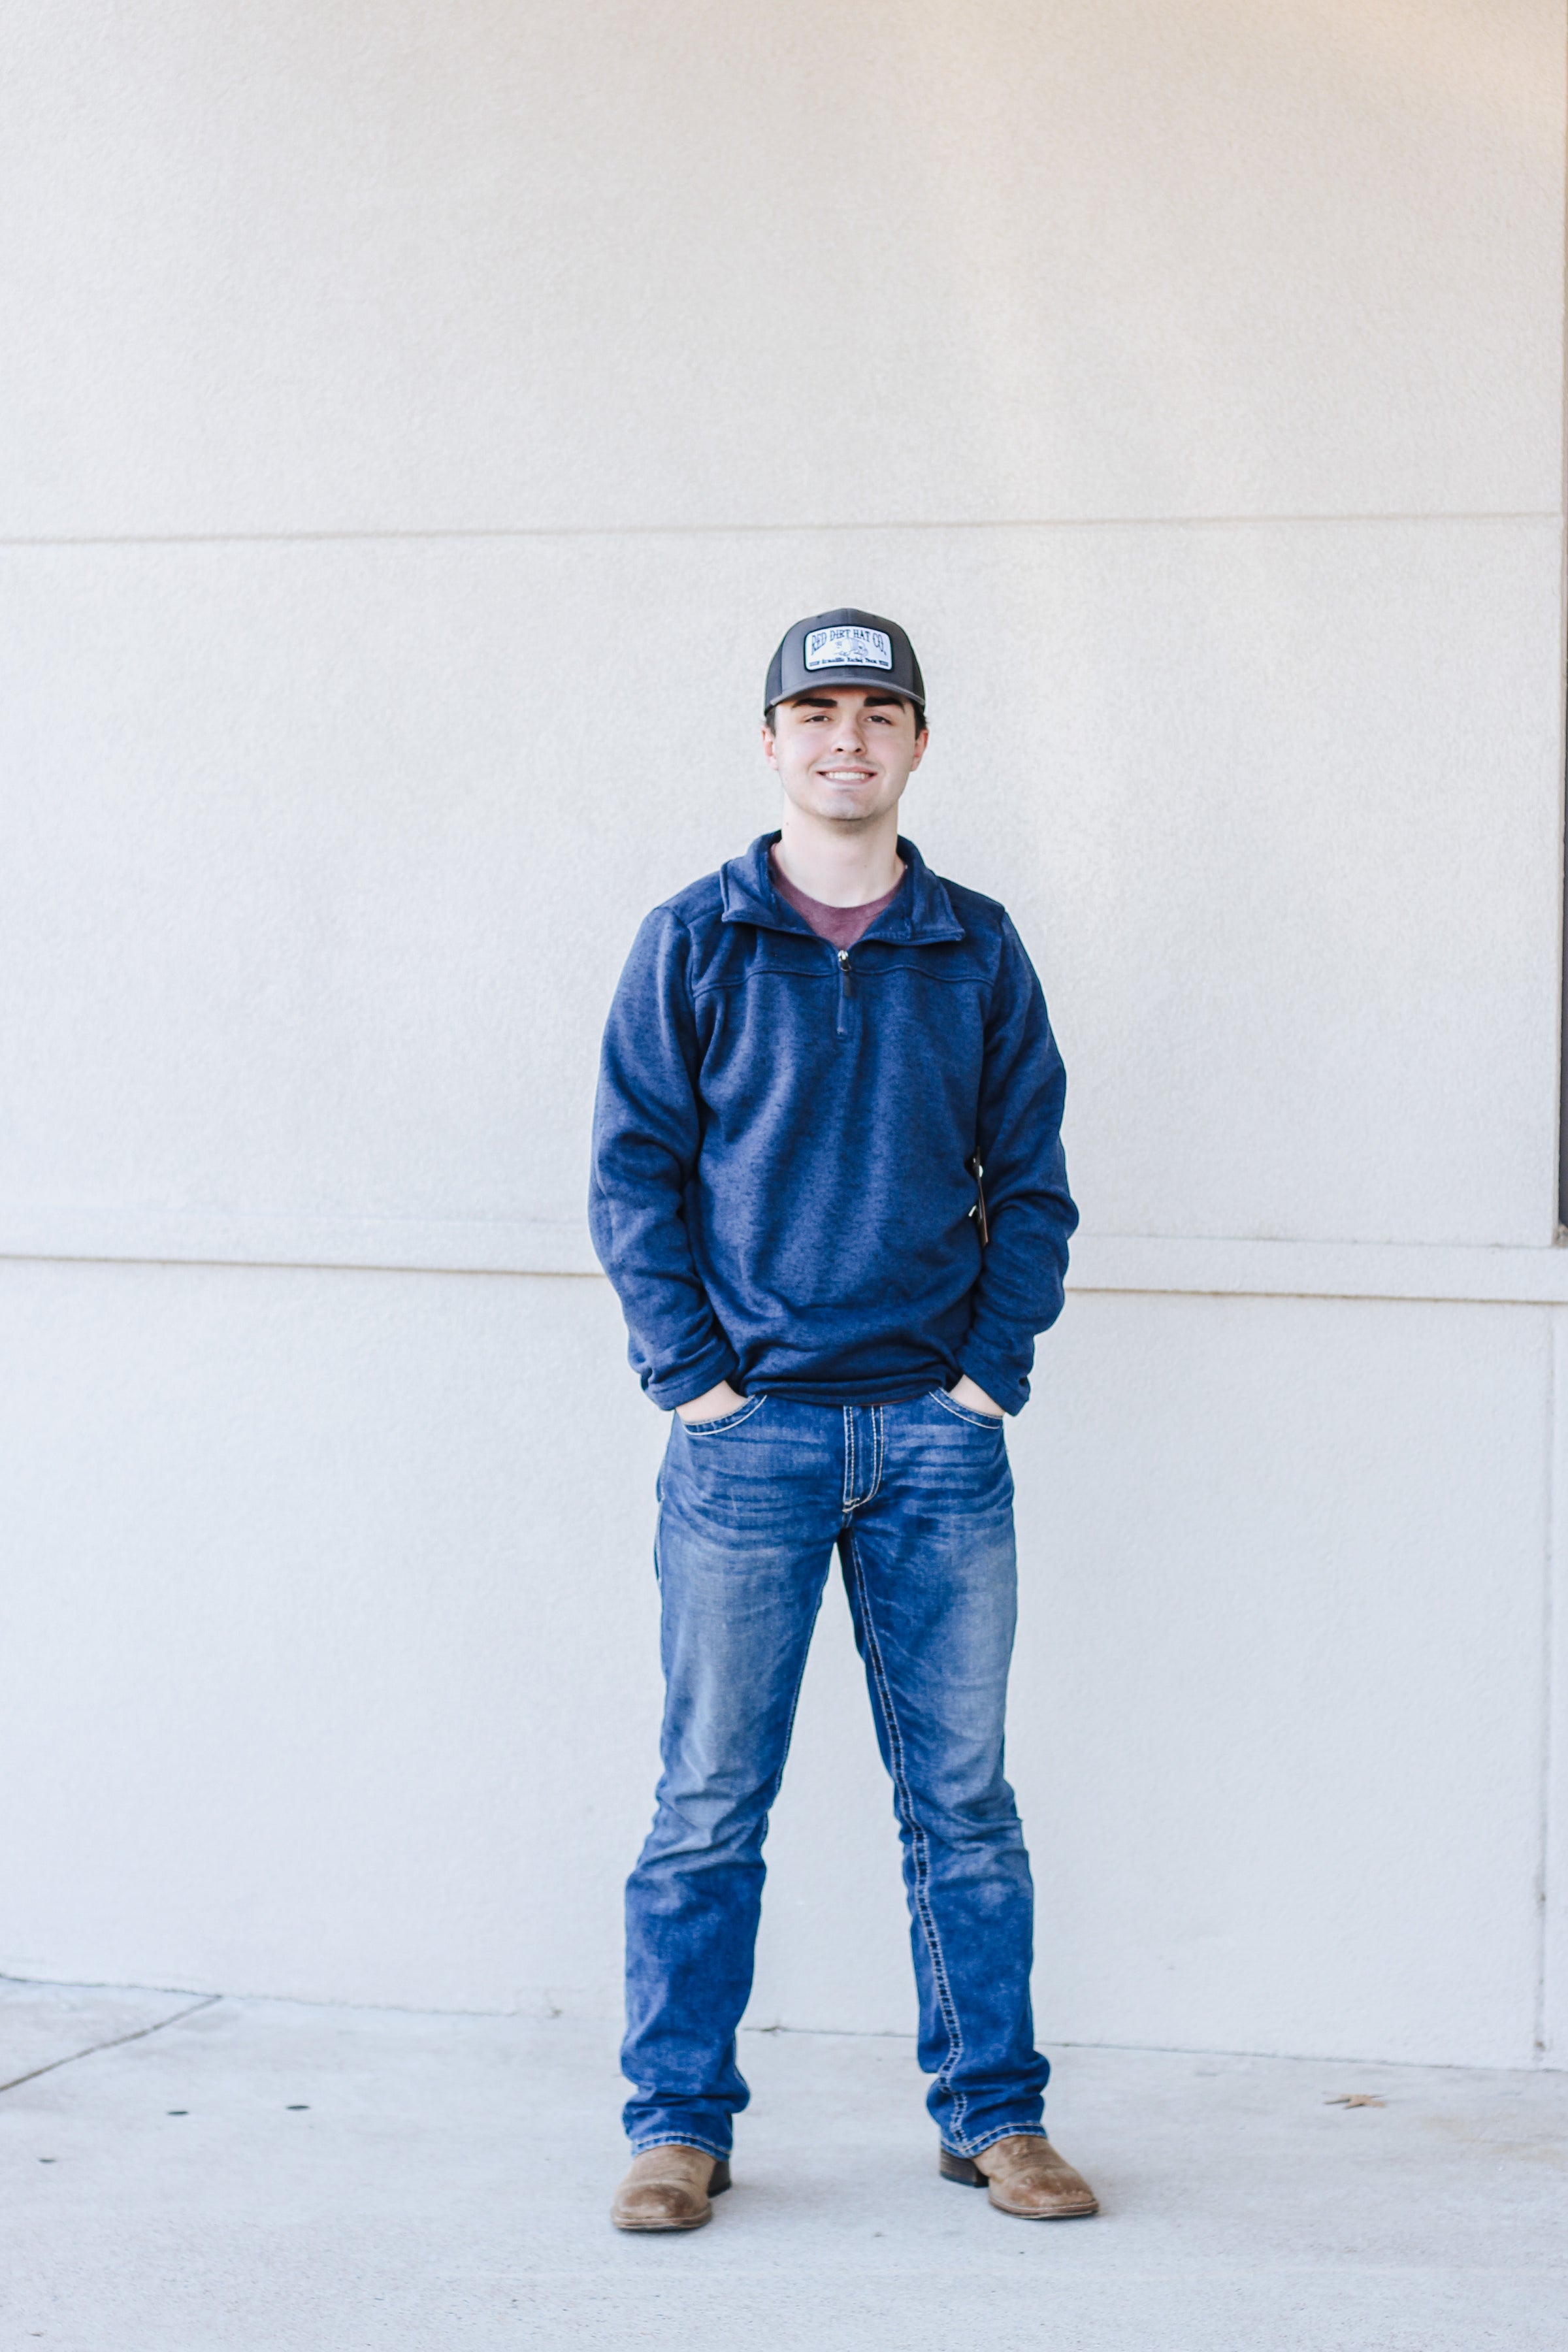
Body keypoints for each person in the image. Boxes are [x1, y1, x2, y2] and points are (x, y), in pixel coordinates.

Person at [589, 607, 1094, 2231]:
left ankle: (995, 2117)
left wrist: (985, 1376)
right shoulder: (694, 941)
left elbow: (1034, 1181)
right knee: (707, 1807)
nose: (847, 738)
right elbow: (632, 1177)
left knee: (966, 1807)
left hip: (939, 1444)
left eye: (880, 711)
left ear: (919, 744)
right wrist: (699, 1386)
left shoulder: (977, 947)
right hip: (750, 1448)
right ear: (772, 742)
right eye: (817, 711)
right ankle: (677, 2127)